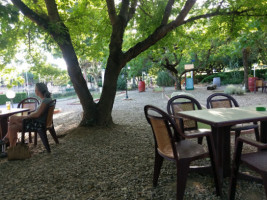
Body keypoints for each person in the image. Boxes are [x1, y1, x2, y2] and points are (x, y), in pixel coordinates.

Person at [0, 83, 52, 149]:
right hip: (36, 122)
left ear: (38, 91)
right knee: (12, 127)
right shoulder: (47, 99)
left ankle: (5, 140)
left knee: (12, 118)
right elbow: (37, 113)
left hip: (36, 124)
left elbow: (37, 114)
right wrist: (28, 116)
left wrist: (27, 116)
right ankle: (11, 148)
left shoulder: (45, 100)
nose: (35, 90)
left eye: (35, 89)